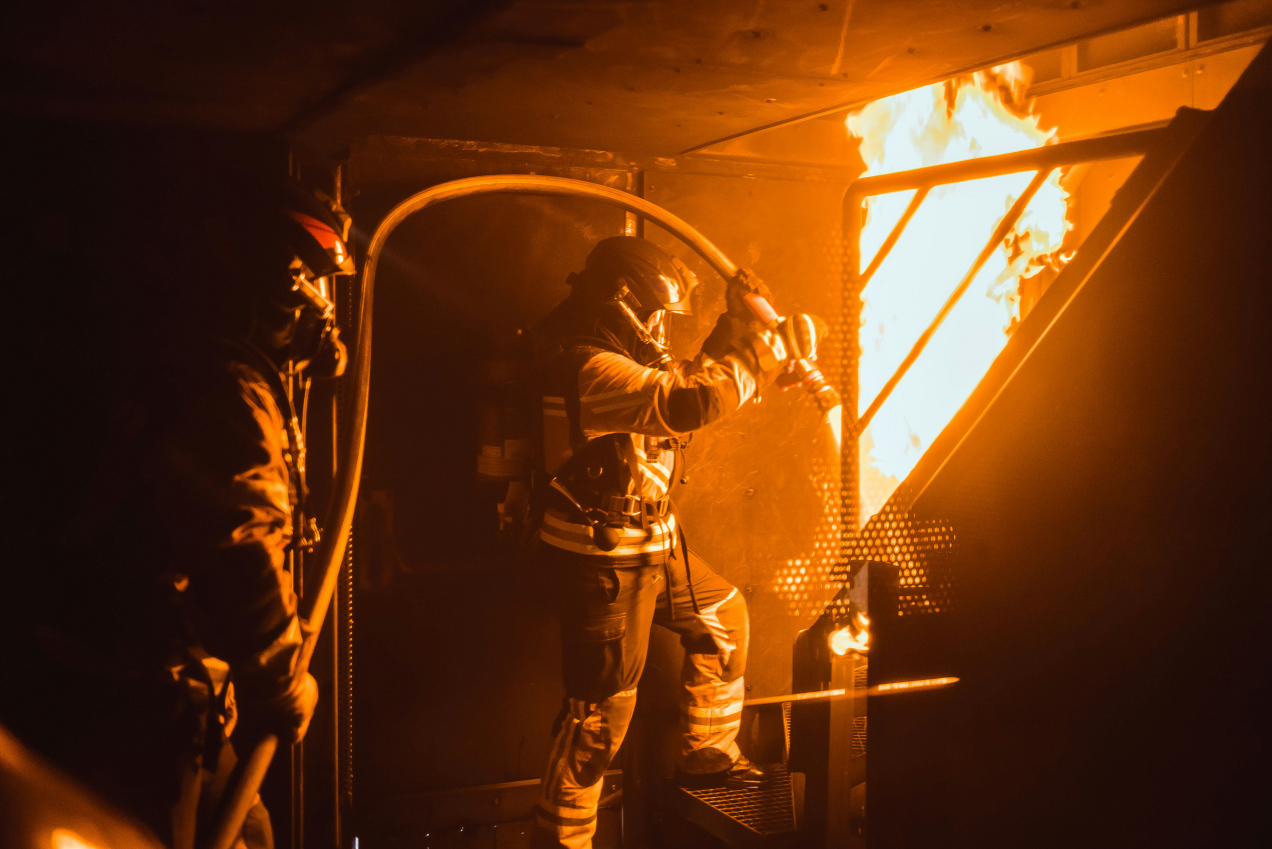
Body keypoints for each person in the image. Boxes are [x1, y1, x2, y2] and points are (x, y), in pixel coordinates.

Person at [1, 177, 353, 849]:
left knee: (249, 835)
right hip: (141, 704)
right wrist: (283, 682)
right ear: (272, 283)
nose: (321, 304)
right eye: (309, 282)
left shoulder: (191, 361)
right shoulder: (228, 392)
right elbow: (241, 540)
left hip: (166, 695)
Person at [528, 236, 825, 849]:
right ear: (619, 302)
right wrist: (766, 351)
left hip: (650, 544)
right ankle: (561, 843)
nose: (660, 329)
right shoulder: (587, 365)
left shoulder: (622, 355)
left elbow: (686, 375)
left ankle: (708, 760)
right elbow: (686, 400)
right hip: (601, 559)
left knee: (723, 619)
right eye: (653, 314)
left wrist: (734, 326)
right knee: (600, 714)